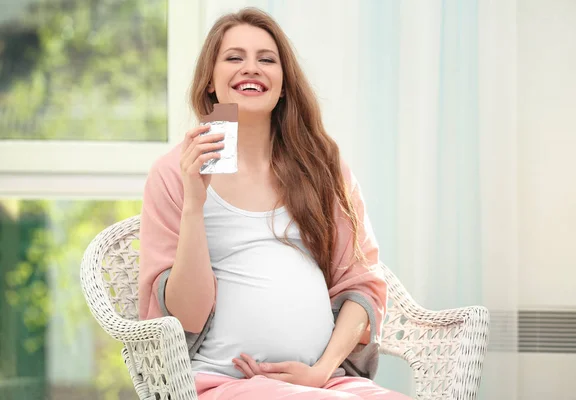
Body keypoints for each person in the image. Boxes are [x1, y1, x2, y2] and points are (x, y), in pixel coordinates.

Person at [138, 7, 411, 400]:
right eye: (234, 58)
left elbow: (362, 288)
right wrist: (194, 205)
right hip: (221, 383)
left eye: (266, 59)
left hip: (326, 384)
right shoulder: (173, 174)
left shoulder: (323, 169)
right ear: (210, 83)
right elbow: (185, 317)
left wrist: (321, 372)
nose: (251, 68)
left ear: (283, 86)